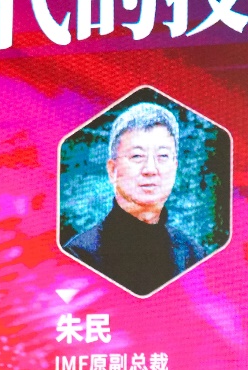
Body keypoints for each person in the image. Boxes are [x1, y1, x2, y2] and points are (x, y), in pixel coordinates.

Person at [64, 101, 203, 297]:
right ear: (112, 170)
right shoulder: (79, 256)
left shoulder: (192, 255)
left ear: (175, 167)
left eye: (163, 156)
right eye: (137, 156)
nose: (150, 169)